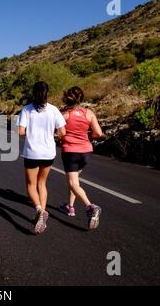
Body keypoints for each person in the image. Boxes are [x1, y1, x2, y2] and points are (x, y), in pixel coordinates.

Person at [18, 82, 66, 234]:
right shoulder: (53, 110)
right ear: (47, 93)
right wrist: (51, 135)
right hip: (48, 153)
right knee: (42, 184)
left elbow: (20, 132)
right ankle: (42, 214)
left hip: (32, 152)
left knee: (31, 186)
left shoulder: (27, 109)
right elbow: (62, 132)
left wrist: (32, 134)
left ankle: (39, 210)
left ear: (33, 93)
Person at [59, 86, 103, 230]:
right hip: (86, 152)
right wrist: (88, 135)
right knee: (75, 182)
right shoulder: (89, 113)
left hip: (71, 152)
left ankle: (90, 206)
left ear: (67, 98)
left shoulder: (64, 115)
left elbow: (60, 133)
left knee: (73, 183)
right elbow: (98, 133)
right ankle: (70, 207)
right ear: (81, 99)